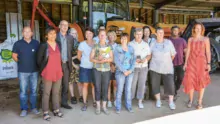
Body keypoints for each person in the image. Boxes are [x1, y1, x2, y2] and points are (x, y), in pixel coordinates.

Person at [12, 26, 40, 117]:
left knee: (34, 91)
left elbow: (39, 56)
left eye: (29, 32)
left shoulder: (36, 43)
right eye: (25, 31)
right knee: (23, 91)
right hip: (23, 71)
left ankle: (33, 107)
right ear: (22, 33)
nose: (27, 33)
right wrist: (22, 63)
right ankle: (24, 109)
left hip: (34, 71)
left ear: (32, 33)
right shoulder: (18, 44)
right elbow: (14, 56)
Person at [182, 22, 211, 109]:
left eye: (199, 28)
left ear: (202, 30)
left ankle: (199, 102)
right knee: (190, 81)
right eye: (196, 28)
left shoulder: (205, 39)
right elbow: (188, 52)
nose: (197, 30)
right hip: (191, 62)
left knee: (201, 81)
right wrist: (186, 63)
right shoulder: (190, 39)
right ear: (194, 29)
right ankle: (190, 100)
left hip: (202, 63)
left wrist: (209, 63)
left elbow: (208, 52)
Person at [37, 27, 63, 121]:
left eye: (54, 33)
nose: (53, 35)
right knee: (46, 93)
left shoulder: (58, 44)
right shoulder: (43, 45)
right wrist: (43, 70)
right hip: (47, 72)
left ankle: (56, 109)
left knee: (56, 92)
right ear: (46, 36)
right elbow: (39, 60)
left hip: (58, 71)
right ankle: (45, 112)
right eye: (50, 33)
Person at [149, 27, 176, 110]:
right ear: (156, 34)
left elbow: (173, 54)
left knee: (170, 85)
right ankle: (158, 100)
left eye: (162, 33)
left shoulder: (168, 42)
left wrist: (166, 62)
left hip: (167, 68)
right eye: (159, 33)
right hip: (154, 67)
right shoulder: (152, 43)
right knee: (155, 84)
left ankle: (171, 102)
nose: (161, 34)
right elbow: (149, 54)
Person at [90, 29, 113, 115]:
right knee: (97, 88)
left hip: (106, 70)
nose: (102, 36)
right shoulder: (95, 46)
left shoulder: (109, 47)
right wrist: (98, 60)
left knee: (105, 88)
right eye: (101, 35)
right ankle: (98, 106)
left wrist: (105, 59)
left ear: (106, 36)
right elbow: (90, 58)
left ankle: (104, 106)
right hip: (97, 69)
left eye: (104, 35)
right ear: (98, 36)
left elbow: (111, 58)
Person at [129, 28, 151, 109]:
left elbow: (149, 55)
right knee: (132, 85)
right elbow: (127, 56)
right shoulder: (130, 44)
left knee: (142, 84)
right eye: (137, 34)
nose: (139, 36)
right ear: (134, 34)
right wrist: (134, 59)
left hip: (143, 67)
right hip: (133, 67)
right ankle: (130, 100)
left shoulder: (145, 44)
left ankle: (140, 101)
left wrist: (144, 59)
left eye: (140, 34)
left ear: (142, 35)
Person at [114, 33, 136, 114]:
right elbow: (116, 61)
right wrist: (124, 71)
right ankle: (118, 107)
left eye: (125, 39)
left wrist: (130, 70)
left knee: (128, 90)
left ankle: (129, 106)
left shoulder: (131, 49)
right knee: (119, 90)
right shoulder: (117, 48)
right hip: (120, 72)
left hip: (130, 72)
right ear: (120, 39)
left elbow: (134, 60)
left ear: (127, 40)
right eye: (122, 38)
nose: (124, 40)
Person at [77, 27, 96, 111]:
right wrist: (85, 62)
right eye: (87, 34)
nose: (88, 35)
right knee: (85, 85)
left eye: (90, 33)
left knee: (94, 85)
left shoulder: (96, 43)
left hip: (95, 67)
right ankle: (85, 103)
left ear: (93, 34)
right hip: (85, 68)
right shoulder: (82, 44)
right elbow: (78, 56)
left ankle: (95, 101)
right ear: (85, 35)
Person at [57, 20, 74, 109]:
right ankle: (55, 104)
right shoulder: (55, 36)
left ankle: (64, 102)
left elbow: (71, 51)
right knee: (55, 85)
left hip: (66, 64)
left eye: (66, 25)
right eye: (62, 25)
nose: (64, 27)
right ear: (59, 26)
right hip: (57, 65)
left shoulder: (70, 38)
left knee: (65, 85)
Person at [169, 26, 187, 99]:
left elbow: (186, 51)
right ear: (172, 31)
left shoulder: (182, 40)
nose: (175, 32)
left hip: (180, 63)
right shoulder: (168, 40)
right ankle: (173, 93)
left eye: (177, 30)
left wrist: (186, 62)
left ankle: (175, 90)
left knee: (180, 78)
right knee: (172, 79)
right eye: (174, 30)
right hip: (170, 64)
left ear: (178, 31)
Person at [68, 28, 83, 104]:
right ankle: (73, 96)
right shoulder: (67, 44)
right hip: (70, 65)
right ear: (69, 34)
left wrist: (78, 63)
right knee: (70, 81)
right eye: (72, 33)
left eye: (75, 33)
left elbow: (81, 55)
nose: (74, 35)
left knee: (79, 81)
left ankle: (81, 96)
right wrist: (73, 62)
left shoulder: (80, 44)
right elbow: (67, 57)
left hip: (78, 65)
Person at [107, 30, 117, 108]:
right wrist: (110, 65)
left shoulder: (117, 46)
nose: (111, 37)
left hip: (116, 67)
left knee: (115, 85)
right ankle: (109, 100)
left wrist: (115, 66)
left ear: (115, 37)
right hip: (108, 67)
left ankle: (115, 100)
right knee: (108, 85)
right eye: (109, 36)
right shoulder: (106, 45)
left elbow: (119, 58)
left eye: (112, 36)